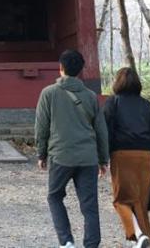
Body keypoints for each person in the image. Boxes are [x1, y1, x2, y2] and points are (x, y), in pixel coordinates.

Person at [35, 49, 109, 248]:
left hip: (61, 156)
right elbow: (101, 130)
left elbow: (42, 127)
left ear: (61, 68)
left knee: (54, 196)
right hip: (88, 158)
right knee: (89, 205)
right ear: (80, 71)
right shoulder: (91, 96)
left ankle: (67, 241)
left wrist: (41, 154)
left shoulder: (48, 93)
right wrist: (103, 160)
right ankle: (91, 244)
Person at [104, 68, 150, 248]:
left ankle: (138, 235)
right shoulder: (146, 105)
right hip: (146, 156)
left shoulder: (113, 103)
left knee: (121, 199)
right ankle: (145, 238)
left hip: (122, 155)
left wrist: (103, 157)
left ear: (117, 82)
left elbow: (106, 131)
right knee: (140, 201)